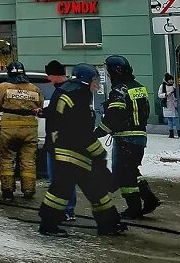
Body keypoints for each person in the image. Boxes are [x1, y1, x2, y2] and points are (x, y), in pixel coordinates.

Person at [38, 64, 126, 237]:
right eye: (94, 81)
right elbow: (83, 131)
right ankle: (49, 225)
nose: (96, 85)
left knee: (93, 189)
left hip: (66, 150)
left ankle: (108, 223)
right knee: (63, 191)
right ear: (86, 80)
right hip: (74, 152)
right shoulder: (79, 95)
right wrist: (99, 152)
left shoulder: (65, 91)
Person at [95, 55, 160, 219]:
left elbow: (113, 117)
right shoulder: (139, 88)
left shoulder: (119, 91)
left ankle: (134, 208)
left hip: (125, 138)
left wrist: (97, 134)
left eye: (109, 73)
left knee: (124, 175)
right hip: (140, 137)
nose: (109, 77)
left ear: (116, 72)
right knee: (130, 169)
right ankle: (148, 198)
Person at [0, 61, 44, 201]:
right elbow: (40, 105)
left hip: (9, 129)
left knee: (7, 159)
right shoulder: (35, 89)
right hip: (30, 129)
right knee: (29, 160)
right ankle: (28, 190)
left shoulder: (3, 87)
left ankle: (7, 191)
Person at [44, 60, 76, 221]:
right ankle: (67, 209)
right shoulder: (69, 89)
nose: (49, 79)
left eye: (49, 76)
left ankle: (63, 209)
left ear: (56, 75)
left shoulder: (64, 91)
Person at [158, 73, 178, 138]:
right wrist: (166, 95)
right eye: (170, 80)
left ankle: (179, 132)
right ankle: (171, 133)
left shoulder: (174, 86)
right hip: (167, 104)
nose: (171, 81)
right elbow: (159, 95)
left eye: (172, 80)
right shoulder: (162, 86)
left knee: (176, 119)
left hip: (174, 104)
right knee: (170, 119)